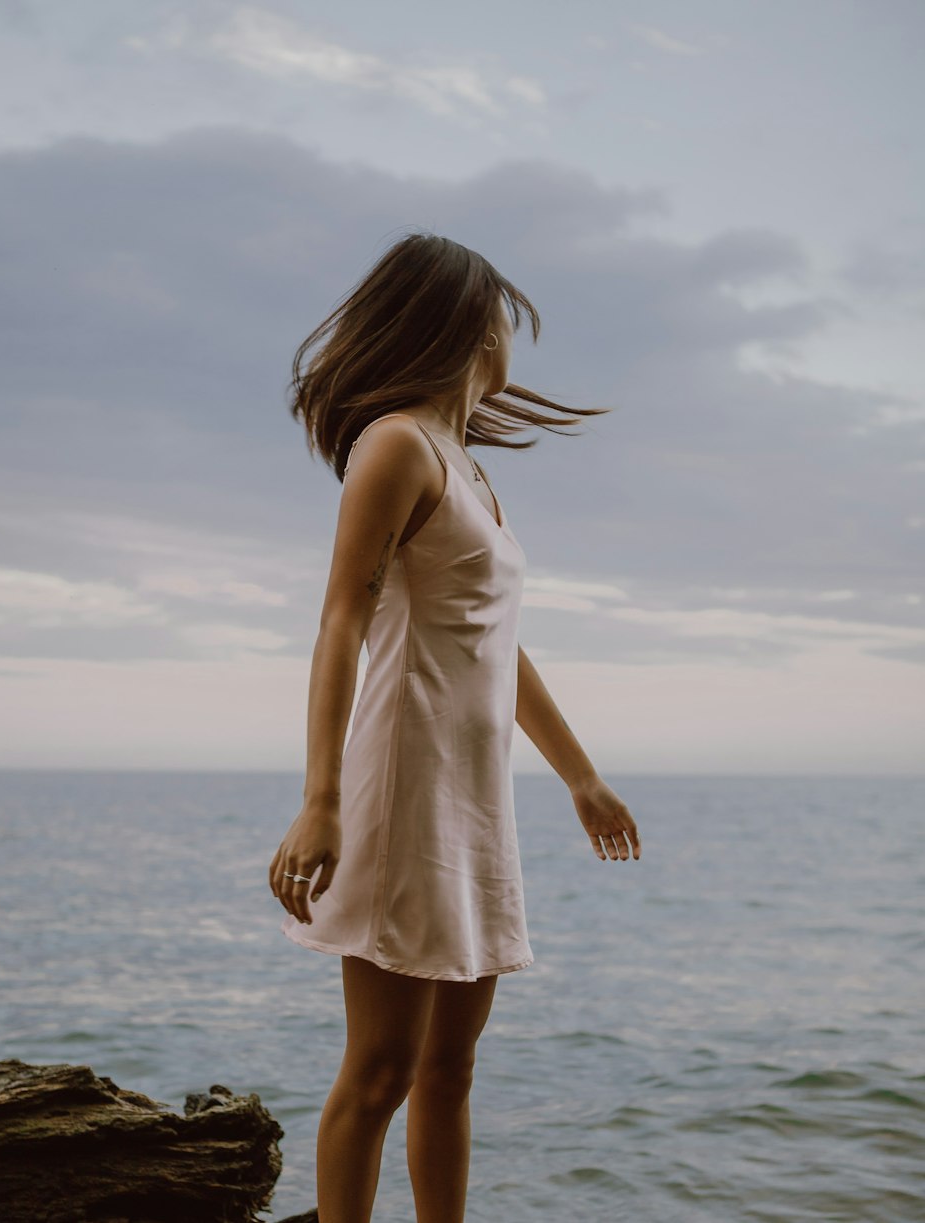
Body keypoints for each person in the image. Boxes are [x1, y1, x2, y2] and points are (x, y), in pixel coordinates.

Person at [269, 232, 641, 1223]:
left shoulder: (465, 467)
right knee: (381, 1065)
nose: (504, 342)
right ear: (467, 327)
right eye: (498, 321)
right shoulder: (394, 443)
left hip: (473, 803)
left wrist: (581, 776)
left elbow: (497, 644)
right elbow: (340, 618)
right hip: (402, 783)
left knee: (450, 1067)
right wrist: (320, 800)